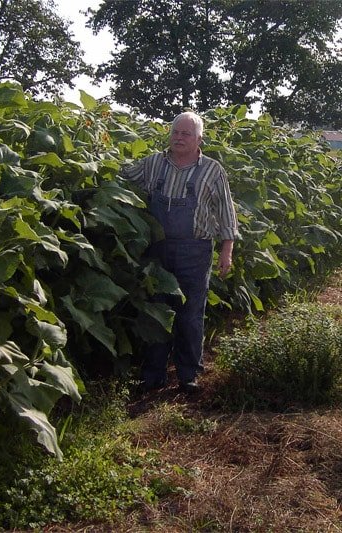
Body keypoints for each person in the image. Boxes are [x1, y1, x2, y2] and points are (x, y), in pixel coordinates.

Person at [120, 111, 239, 394]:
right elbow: (123, 175)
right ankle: (153, 375)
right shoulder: (153, 164)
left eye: (186, 133)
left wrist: (227, 250)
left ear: (199, 139)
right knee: (157, 311)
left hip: (195, 250)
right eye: (175, 132)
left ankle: (188, 375)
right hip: (158, 248)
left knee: (190, 314)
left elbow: (226, 211)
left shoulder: (212, 169)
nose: (179, 137)